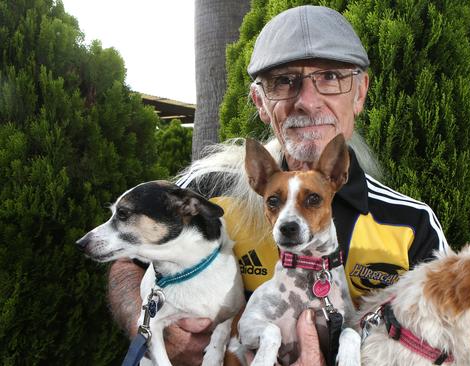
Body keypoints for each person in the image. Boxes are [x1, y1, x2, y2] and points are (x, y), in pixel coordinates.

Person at [108, 5, 449, 365]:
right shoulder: (205, 190)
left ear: (360, 93)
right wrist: (145, 325)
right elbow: (128, 261)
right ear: (260, 102)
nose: (307, 100)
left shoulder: (411, 223)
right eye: (283, 81)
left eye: (331, 76)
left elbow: (447, 339)